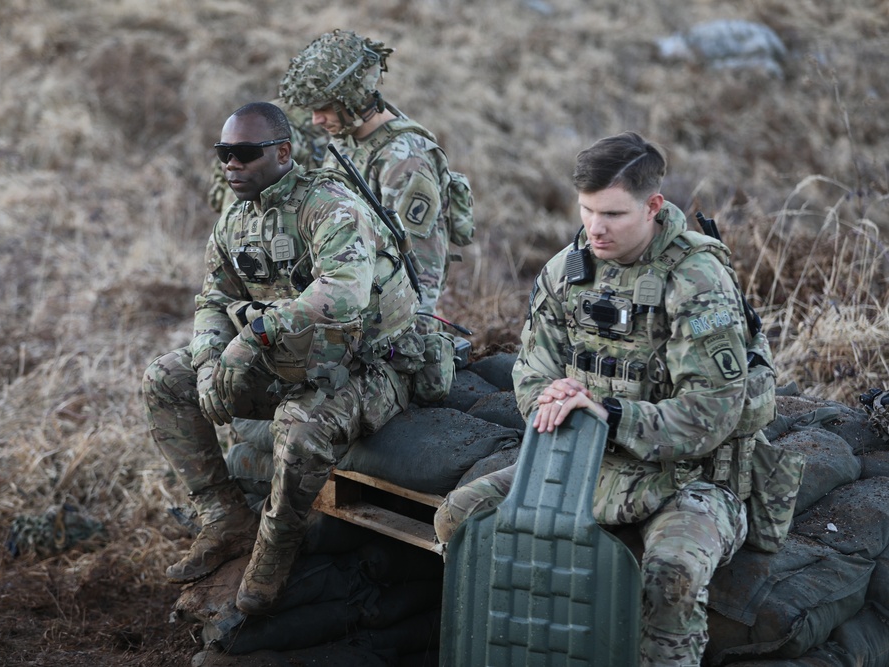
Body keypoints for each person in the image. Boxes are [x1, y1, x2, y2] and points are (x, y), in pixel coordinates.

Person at [434, 132, 759, 666]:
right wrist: (551, 396)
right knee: (459, 519)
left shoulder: (698, 280)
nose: (596, 228)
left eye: (612, 214)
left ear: (653, 206)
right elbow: (532, 366)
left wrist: (609, 414)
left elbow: (713, 412)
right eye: (586, 211)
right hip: (584, 460)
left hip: (688, 475)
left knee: (670, 579)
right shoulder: (569, 269)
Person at [143, 101, 422, 615]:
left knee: (298, 425)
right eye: (224, 153)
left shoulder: (328, 205)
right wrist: (209, 360)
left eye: (245, 153)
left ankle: (277, 547)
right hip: (290, 360)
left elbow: (344, 294)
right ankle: (224, 518)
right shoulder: (235, 221)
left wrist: (251, 338)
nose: (232, 165)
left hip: (367, 365)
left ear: (282, 152)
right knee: (166, 378)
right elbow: (213, 300)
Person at [278, 29, 474, 334]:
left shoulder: (404, 160)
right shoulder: (346, 138)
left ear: (352, 98)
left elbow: (423, 266)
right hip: (349, 296)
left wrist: (414, 338)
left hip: (387, 318)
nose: (316, 119)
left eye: (324, 107)